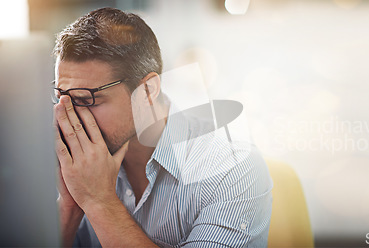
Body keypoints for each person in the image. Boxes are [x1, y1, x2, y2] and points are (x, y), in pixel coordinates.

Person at [52, 7, 273, 247]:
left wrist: (99, 201)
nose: (69, 116)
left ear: (147, 91)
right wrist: (70, 205)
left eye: (86, 100)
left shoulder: (232, 168)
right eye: (60, 97)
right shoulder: (78, 168)